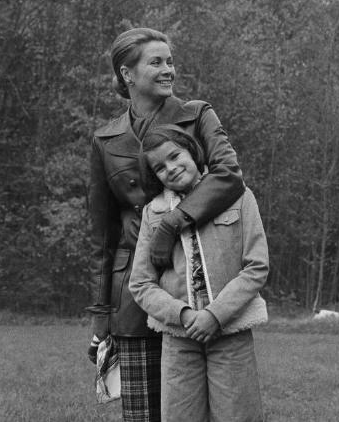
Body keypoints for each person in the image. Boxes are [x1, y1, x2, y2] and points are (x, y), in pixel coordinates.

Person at [86, 28, 244, 421]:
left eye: (169, 61)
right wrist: (100, 313)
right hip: (134, 297)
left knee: (200, 411)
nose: (168, 69)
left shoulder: (198, 115)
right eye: (156, 62)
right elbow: (102, 236)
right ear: (127, 74)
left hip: (197, 288)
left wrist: (173, 222)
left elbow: (229, 175)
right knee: (142, 414)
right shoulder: (105, 140)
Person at [129, 125, 268, 422]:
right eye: (160, 168)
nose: (172, 168)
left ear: (192, 151)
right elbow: (141, 284)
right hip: (179, 338)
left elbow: (256, 267)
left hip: (230, 333)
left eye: (175, 156)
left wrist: (214, 314)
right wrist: (182, 314)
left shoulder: (239, 198)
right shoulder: (153, 213)